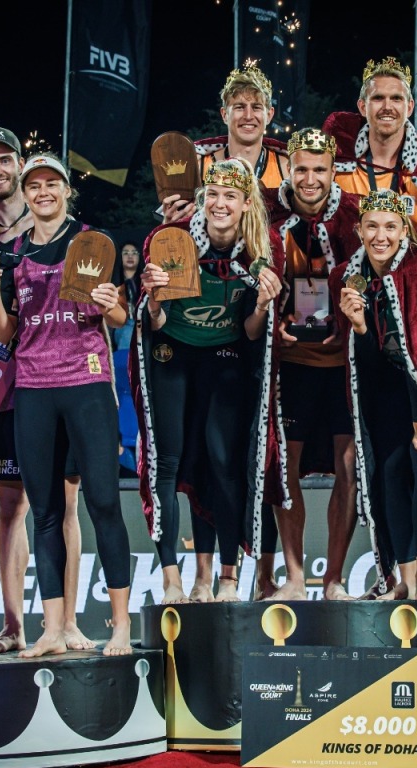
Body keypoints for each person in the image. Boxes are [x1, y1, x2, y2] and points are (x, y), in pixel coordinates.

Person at [0, 153, 133, 657]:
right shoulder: (14, 254)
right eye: (35, 185)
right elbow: (5, 333)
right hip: (35, 391)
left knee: (103, 505)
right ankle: (51, 629)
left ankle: (120, 628)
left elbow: (117, 318)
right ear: (25, 192)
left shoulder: (91, 242)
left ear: (67, 190)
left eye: (52, 184)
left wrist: (111, 303)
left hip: (87, 386)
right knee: (43, 513)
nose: (44, 192)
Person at [0, 125, 90, 655]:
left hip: (58, 377)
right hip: (0, 380)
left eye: (5, 160)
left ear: (20, 168)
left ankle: (69, 623)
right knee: (10, 506)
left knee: (65, 503)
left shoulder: (62, 229)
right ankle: (15, 626)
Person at [134, 157, 285, 603]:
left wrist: (261, 305)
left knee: (222, 461)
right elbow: (154, 323)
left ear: (245, 205)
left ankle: (226, 578)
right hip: (174, 354)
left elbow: (252, 333)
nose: (220, 204)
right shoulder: (172, 242)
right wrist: (154, 299)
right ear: (203, 201)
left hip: (224, 356)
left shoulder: (258, 253)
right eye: (213, 195)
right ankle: (171, 578)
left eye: (230, 197)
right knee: (168, 460)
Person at [333, 188, 417, 600]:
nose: (381, 235)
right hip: (386, 396)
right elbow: (366, 365)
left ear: (404, 230)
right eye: (372, 226)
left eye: (390, 226)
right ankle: (405, 581)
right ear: (358, 230)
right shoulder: (347, 275)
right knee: (390, 472)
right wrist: (357, 328)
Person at [262, 127, 362, 601]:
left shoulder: (354, 217)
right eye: (301, 168)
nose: (309, 178)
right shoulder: (267, 214)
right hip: (292, 363)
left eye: (319, 169)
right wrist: (271, 324)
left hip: (344, 366)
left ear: (333, 171)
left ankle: (336, 579)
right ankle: (296, 576)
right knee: (287, 469)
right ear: (288, 169)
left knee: (349, 469)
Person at [323, 57, 417, 251]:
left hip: (412, 278)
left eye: (396, 98)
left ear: (410, 107)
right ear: (362, 107)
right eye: (378, 98)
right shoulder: (341, 166)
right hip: (351, 278)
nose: (387, 107)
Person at [162, 64, 289, 223]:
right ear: (224, 115)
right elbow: (177, 230)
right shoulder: (197, 167)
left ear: (269, 115)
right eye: (239, 107)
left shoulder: (286, 168)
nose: (248, 116)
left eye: (256, 107)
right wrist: (168, 224)